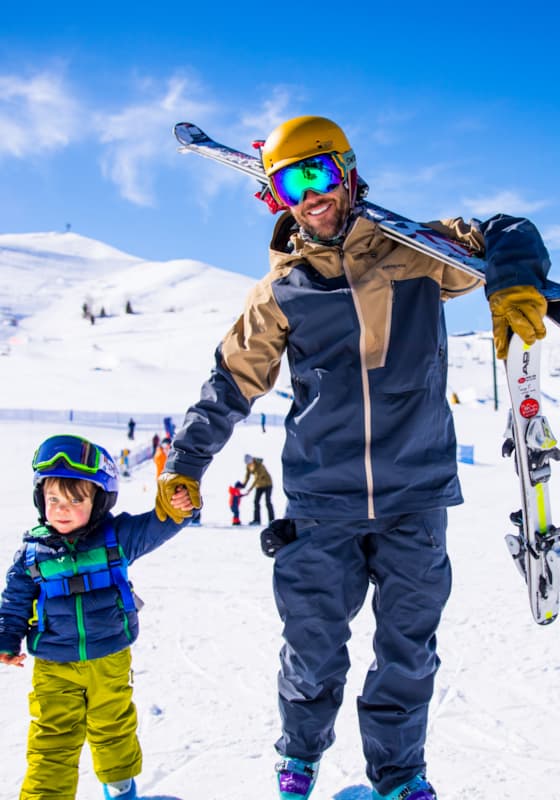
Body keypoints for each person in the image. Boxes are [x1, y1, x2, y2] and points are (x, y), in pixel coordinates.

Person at [155, 115, 550, 800]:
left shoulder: (418, 253)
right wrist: (185, 462)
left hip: (414, 496)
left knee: (407, 654)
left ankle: (399, 776)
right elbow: (231, 382)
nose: (312, 195)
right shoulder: (280, 293)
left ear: (348, 173)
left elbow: (507, 229)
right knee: (311, 650)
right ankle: (300, 756)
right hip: (321, 504)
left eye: (321, 173)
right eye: (292, 184)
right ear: (277, 199)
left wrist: (513, 277)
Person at [0, 434, 191, 800]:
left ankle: (120, 792)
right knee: (52, 738)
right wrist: (6, 639)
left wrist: (179, 506)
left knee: (113, 728)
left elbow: (160, 525)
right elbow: (14, 602)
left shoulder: (116, 539)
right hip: (54, 666)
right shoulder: (32, 554)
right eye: (53, 499)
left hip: (109, 659)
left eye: (76, 500)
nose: (62, 509)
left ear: (99, 502)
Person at [240, 454, 275, 525]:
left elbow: (257, 479)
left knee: (268, 502)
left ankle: (272, 520)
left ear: (252, 460)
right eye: (248, 463)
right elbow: (247, 476)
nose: (249, 464)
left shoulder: (260, 466)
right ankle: (257, 520)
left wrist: (249, 490)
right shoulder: (248, 466)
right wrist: (243, 485)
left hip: (268, 484)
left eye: (250, 463)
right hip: (259, 486)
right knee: (256, 502)